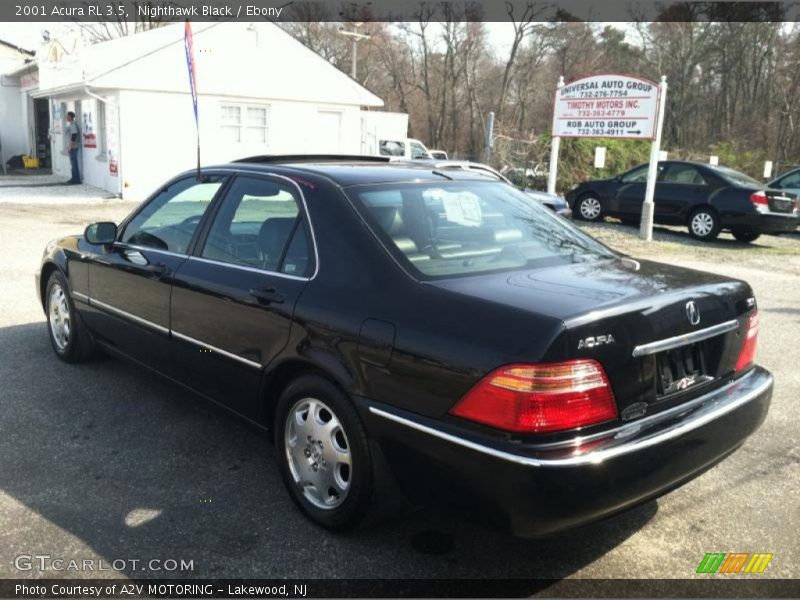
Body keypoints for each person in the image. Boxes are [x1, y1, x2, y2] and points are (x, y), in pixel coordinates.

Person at [65, 111, 81, 184]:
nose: (66, 117)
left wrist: (70, 146)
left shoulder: (73, 124)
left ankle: (76, 179)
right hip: (72, 147)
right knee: (72, 163)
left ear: (71, 117)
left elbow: (74, 135)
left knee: (74, 163)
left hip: (73, 147)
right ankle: (74, 178)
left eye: (67, 116)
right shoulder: (70, 124)